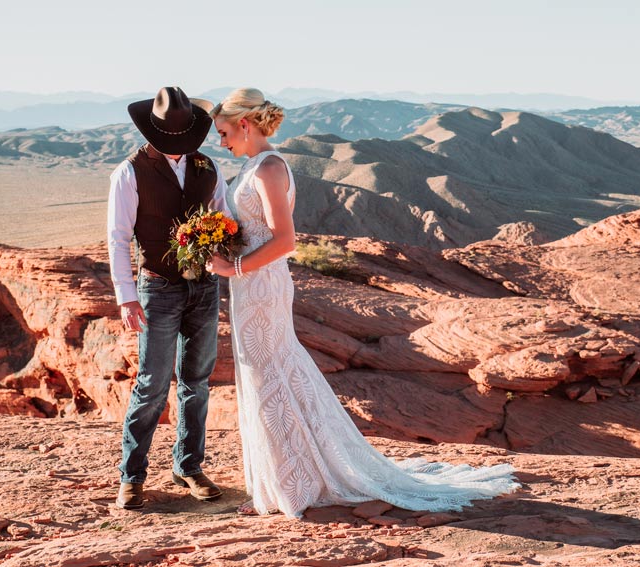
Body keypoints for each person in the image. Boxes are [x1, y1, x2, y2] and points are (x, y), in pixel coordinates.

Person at [205, 88, 519, 518]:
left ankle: (296, 484)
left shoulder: (270, 168)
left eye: (223, 133)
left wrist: (233, 268)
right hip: (250, 286)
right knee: (266, 375)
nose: (221, 142)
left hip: (260, 286)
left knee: (271, 374)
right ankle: (285, 480)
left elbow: (286, 240)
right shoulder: (255, 166)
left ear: (244, 124)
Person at [108, 86, 228, 509]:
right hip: (157, 287)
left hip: (204, 288)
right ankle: (131, 476)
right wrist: (126, 296)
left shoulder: (207, 166)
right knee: (152, 383)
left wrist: (219, 247)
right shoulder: (129, 171)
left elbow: (224, 217)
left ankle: (189, 467)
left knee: (196, 381)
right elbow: (119, 237)